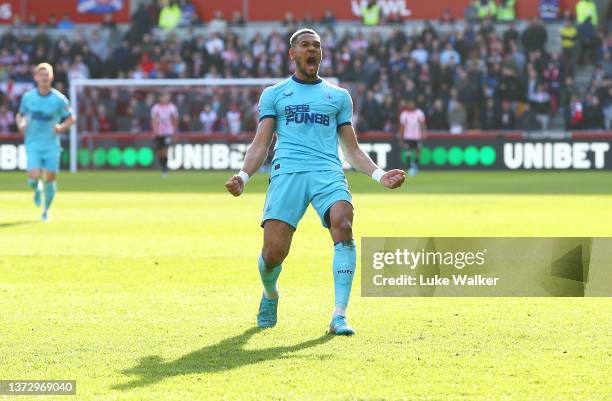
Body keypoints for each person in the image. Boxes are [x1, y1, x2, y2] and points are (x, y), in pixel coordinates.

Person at [224, 29, 405, 336]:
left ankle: (339, 315)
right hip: (287, 173)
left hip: (327, 172)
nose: (313, 50)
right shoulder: (275, 94)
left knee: (344, 224)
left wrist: (379, 174)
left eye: (317, 46)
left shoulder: (338, 96)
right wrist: (243, 176)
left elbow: (352, 149)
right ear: (293, 54)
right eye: (306, 45)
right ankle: (270, 294)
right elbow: (260, 144)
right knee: (273, 254)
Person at [16, 63, 75, 222]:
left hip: (51, 144)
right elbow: (20, 114)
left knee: (50, 178)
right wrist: (20, 124)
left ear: (52, 77)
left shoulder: (59, 99)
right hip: (33, 142)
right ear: (35, 77)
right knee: (33, 176)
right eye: (41, 74)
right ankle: (36, 188)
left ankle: (46, 210)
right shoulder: (28, 97)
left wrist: (61, 127)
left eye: (47, 74)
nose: (44, 77)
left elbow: (71, 118)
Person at [151, 92, 178, 177]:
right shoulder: (155, 108)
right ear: (160, 98)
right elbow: (153, 120)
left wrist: (174, 132)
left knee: (165, 150)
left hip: (168, 133)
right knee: (160, 151)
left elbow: (175, 120)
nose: (166, 99)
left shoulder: (172, 108)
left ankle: (165, 169)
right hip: (159, 133)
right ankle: (163, 166)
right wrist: (155, 131)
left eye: (167, 97)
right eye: (165, 97)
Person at [398, 100, 426, 176]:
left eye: (412, 103)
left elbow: (423, 124)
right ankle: (409, 167)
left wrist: (424, 133)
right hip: (408, 137)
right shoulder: (404, 114)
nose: (411, 105)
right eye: (410, 104)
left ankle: (416, 166)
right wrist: (401, 138)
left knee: (417, 151)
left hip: (417, 136)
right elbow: (402, 127)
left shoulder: (419, 113)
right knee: (408, 152)